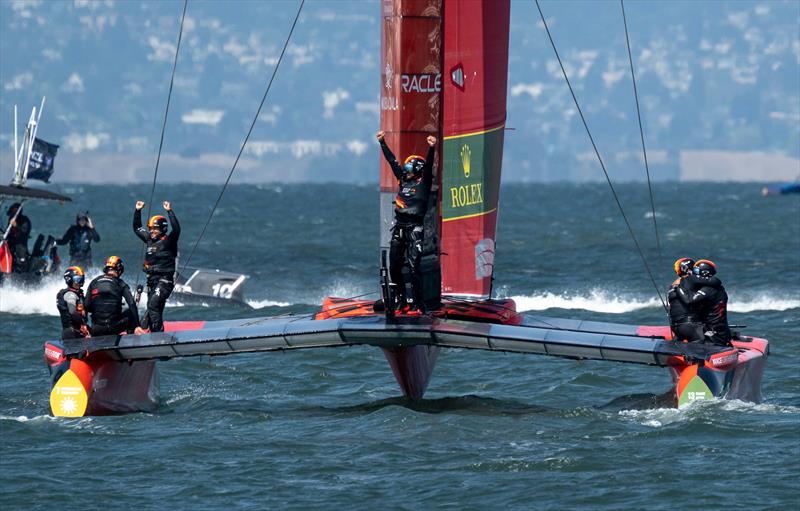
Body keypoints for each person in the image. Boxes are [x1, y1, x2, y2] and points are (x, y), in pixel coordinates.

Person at [376, 130, 437, 313]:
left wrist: (431, 147)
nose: (406, 171)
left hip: (414, 229)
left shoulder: (423, 183)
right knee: (394, 265)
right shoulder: (403, 181)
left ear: (417, 170)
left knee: (413, 267)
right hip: (399, 227)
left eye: (409, 169)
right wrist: (382, 143)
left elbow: (428, 168)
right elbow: (392, 162)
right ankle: (401, 300)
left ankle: (418, 303)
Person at [133, 200, 180, 332]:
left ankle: (159, 335)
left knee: (152, 305)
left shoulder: (169, 241)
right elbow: (137, 228)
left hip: (165, 280)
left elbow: (176, 229)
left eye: (155, 229)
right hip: (152, 281)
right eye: (151, 229)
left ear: (163, 229)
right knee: (154, 309)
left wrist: (169, 211)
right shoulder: (149, 240)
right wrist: (138, 211)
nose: (152, 231)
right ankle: (153, 331)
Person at [676, 259, 732, 346]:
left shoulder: (708, 290)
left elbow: (689, 300)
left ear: (704, 272)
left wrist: (678, 289)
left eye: (696, 270)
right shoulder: (720, 289)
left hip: (713, 333)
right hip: (721, 330)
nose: (693, 273)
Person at [85, 256, 141, 336]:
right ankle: (131, 339)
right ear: (119, 270)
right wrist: (137, 325)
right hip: (113, 328)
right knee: (130, 312)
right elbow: (132, 304)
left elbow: (86, 306)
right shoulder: (121, 283)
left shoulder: (93, 282)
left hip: (96, 330)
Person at [666, 257, 704, 342]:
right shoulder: (692, 282)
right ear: (688, 269)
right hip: (690, 326)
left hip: (676, 327)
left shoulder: (673, 285)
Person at [56, 266, 90, 340]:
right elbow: (72, 311)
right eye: (77, 280)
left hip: (76, 331)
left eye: (81, 279)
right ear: (69, 280)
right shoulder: (70, 294)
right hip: (72, 332)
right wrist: (82, 324)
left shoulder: (78, 294)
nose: (80, 283)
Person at [4, 203, 31, 273]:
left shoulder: (24, 220)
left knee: (20, 260)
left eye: (15, 210)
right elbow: (7, 232)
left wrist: (16, 225)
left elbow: (24, 232)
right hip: (10, 244)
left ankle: (19, 273)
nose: (13, 212)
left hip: (20, 246)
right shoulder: (11, 219)